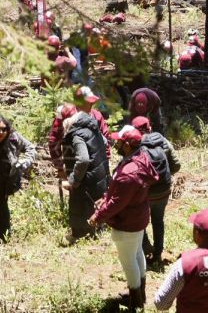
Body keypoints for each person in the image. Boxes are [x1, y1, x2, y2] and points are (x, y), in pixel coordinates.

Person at [89, 126, 159, 310]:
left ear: (127, 145)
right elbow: (119, 195)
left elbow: (117, 203)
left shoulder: (128, 173)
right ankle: (140, 294)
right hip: (138, 216)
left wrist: (98, 216)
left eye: (119, 142)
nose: (116, 144)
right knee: (137, 254)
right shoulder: (141, 157)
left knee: (128, 261)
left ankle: (135, 301)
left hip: (127, 222)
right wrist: (106, 197)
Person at [135, 116, 180, 267]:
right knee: (158, 221)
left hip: (145, 193)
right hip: (164, 190)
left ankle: (146, 249)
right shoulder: (164, 141)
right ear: (150, 127)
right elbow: (177, 165)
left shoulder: (136, 145)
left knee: (139, 221)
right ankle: (158, 253)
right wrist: (165, 174)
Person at [62, 110, 111, 242]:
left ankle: (78, 235)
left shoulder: (77, 136)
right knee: (95, 204)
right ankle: (96, 231)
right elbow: (105, 143)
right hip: (99, 175)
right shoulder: (93, 129)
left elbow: (83, 160)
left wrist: (73, 179)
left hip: (87, 178)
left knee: (79, 204)